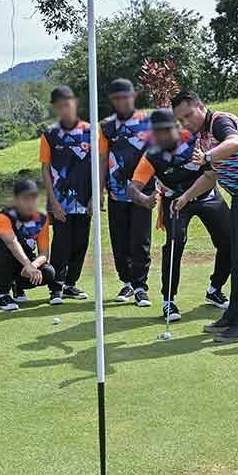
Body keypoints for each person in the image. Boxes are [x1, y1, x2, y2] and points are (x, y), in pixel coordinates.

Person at [172, 91, 238, 343]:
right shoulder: (202, 139)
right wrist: (186, 197)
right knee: (237, 256)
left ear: (201, 106)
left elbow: (234, 144)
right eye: (181, 120)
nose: (186, 122)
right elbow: (210, 176)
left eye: (188, 115)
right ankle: (233, 316)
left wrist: (209, 156)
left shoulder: (220, 122)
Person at [127, 108, 231, 322]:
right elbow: (132, 188)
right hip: (175, 202)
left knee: (230, 241)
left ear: (176, 127)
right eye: (156, 132)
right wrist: (144, 199)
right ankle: (168, 301)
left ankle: (215, 289)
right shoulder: (152, 156)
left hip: (207, 195)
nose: (161, 136)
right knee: (174, 244)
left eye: (166, 130)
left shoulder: (194, 138)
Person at [100, 78, 154, 306]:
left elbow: (157, 153)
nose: (122, 101)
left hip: (143, 192)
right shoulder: (106, 126)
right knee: (119, 240)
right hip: (116, 193)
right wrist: (101, 188)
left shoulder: (150, 122)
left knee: (140, 239)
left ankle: (141, 286)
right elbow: (103, 158)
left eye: (126, 96)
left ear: (133, 96)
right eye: (117, 98)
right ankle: (128, 283)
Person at [40, 85, 93, 305]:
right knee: (62, 243)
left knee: (81, 243)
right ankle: (56, 288)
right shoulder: (50, 135)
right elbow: (45, 169)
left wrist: (94, 198)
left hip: (85, 201)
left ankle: (70, 284)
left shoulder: (91, 131)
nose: (65, 109)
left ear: (75, 103)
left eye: (68, 104)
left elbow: (98, 166)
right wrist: (53, 202)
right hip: (60, 203)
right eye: (60, 106)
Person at [0, 179, 55, 311]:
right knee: (6, 249)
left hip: (22, 264)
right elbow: (11, 243)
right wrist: (28, 265)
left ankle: (17, 286)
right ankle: (3, 295)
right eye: (25, 198)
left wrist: (33, 266)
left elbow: (44, 254)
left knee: (49, 272)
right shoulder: (2, 217)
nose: (30, 202)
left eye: (33, 197)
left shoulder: (41, 220)